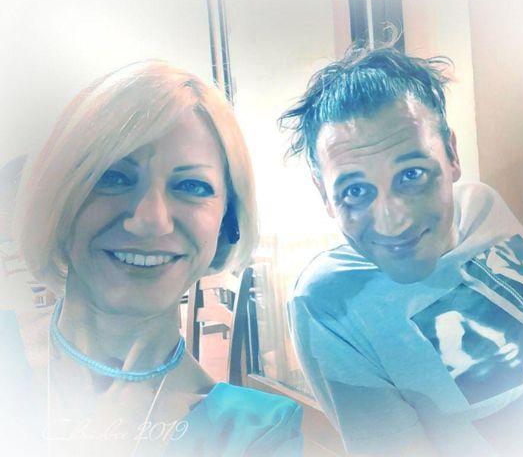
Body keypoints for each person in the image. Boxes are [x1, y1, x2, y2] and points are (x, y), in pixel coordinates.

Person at [280, 46, 523, 456]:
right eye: (355, 191)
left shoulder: (479, 203)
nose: (393, 221)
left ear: (451, 154)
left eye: (412, 174)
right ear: (323, 194)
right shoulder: (329, 304)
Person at [1, 61, 302, 456]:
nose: (150, 220)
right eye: (113, 177)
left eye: (191, 185)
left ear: (226, 223)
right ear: (58, 199)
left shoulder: (258, 432)